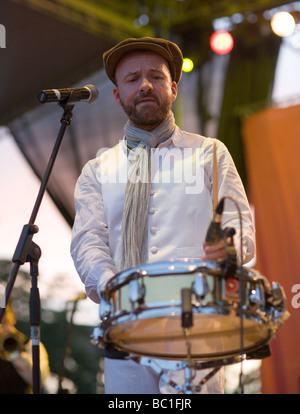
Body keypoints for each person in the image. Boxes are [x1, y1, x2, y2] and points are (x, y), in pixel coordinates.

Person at [70, 37, 256, 394]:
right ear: (117, 95)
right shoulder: (98, 169)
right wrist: (111, 286)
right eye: (131, 79)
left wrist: (229, 248)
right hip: (125, 329)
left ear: (173, 87)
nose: (144, 85)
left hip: (196, 324)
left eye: (155, 76)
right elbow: (87, 240)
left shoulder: (209, 153)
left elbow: (240, 223)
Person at [0, 302, 50, 394]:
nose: (2, 318)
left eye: (5, 312)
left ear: (13, 316)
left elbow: (39, 381)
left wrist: (14, 351)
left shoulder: (31, 345)